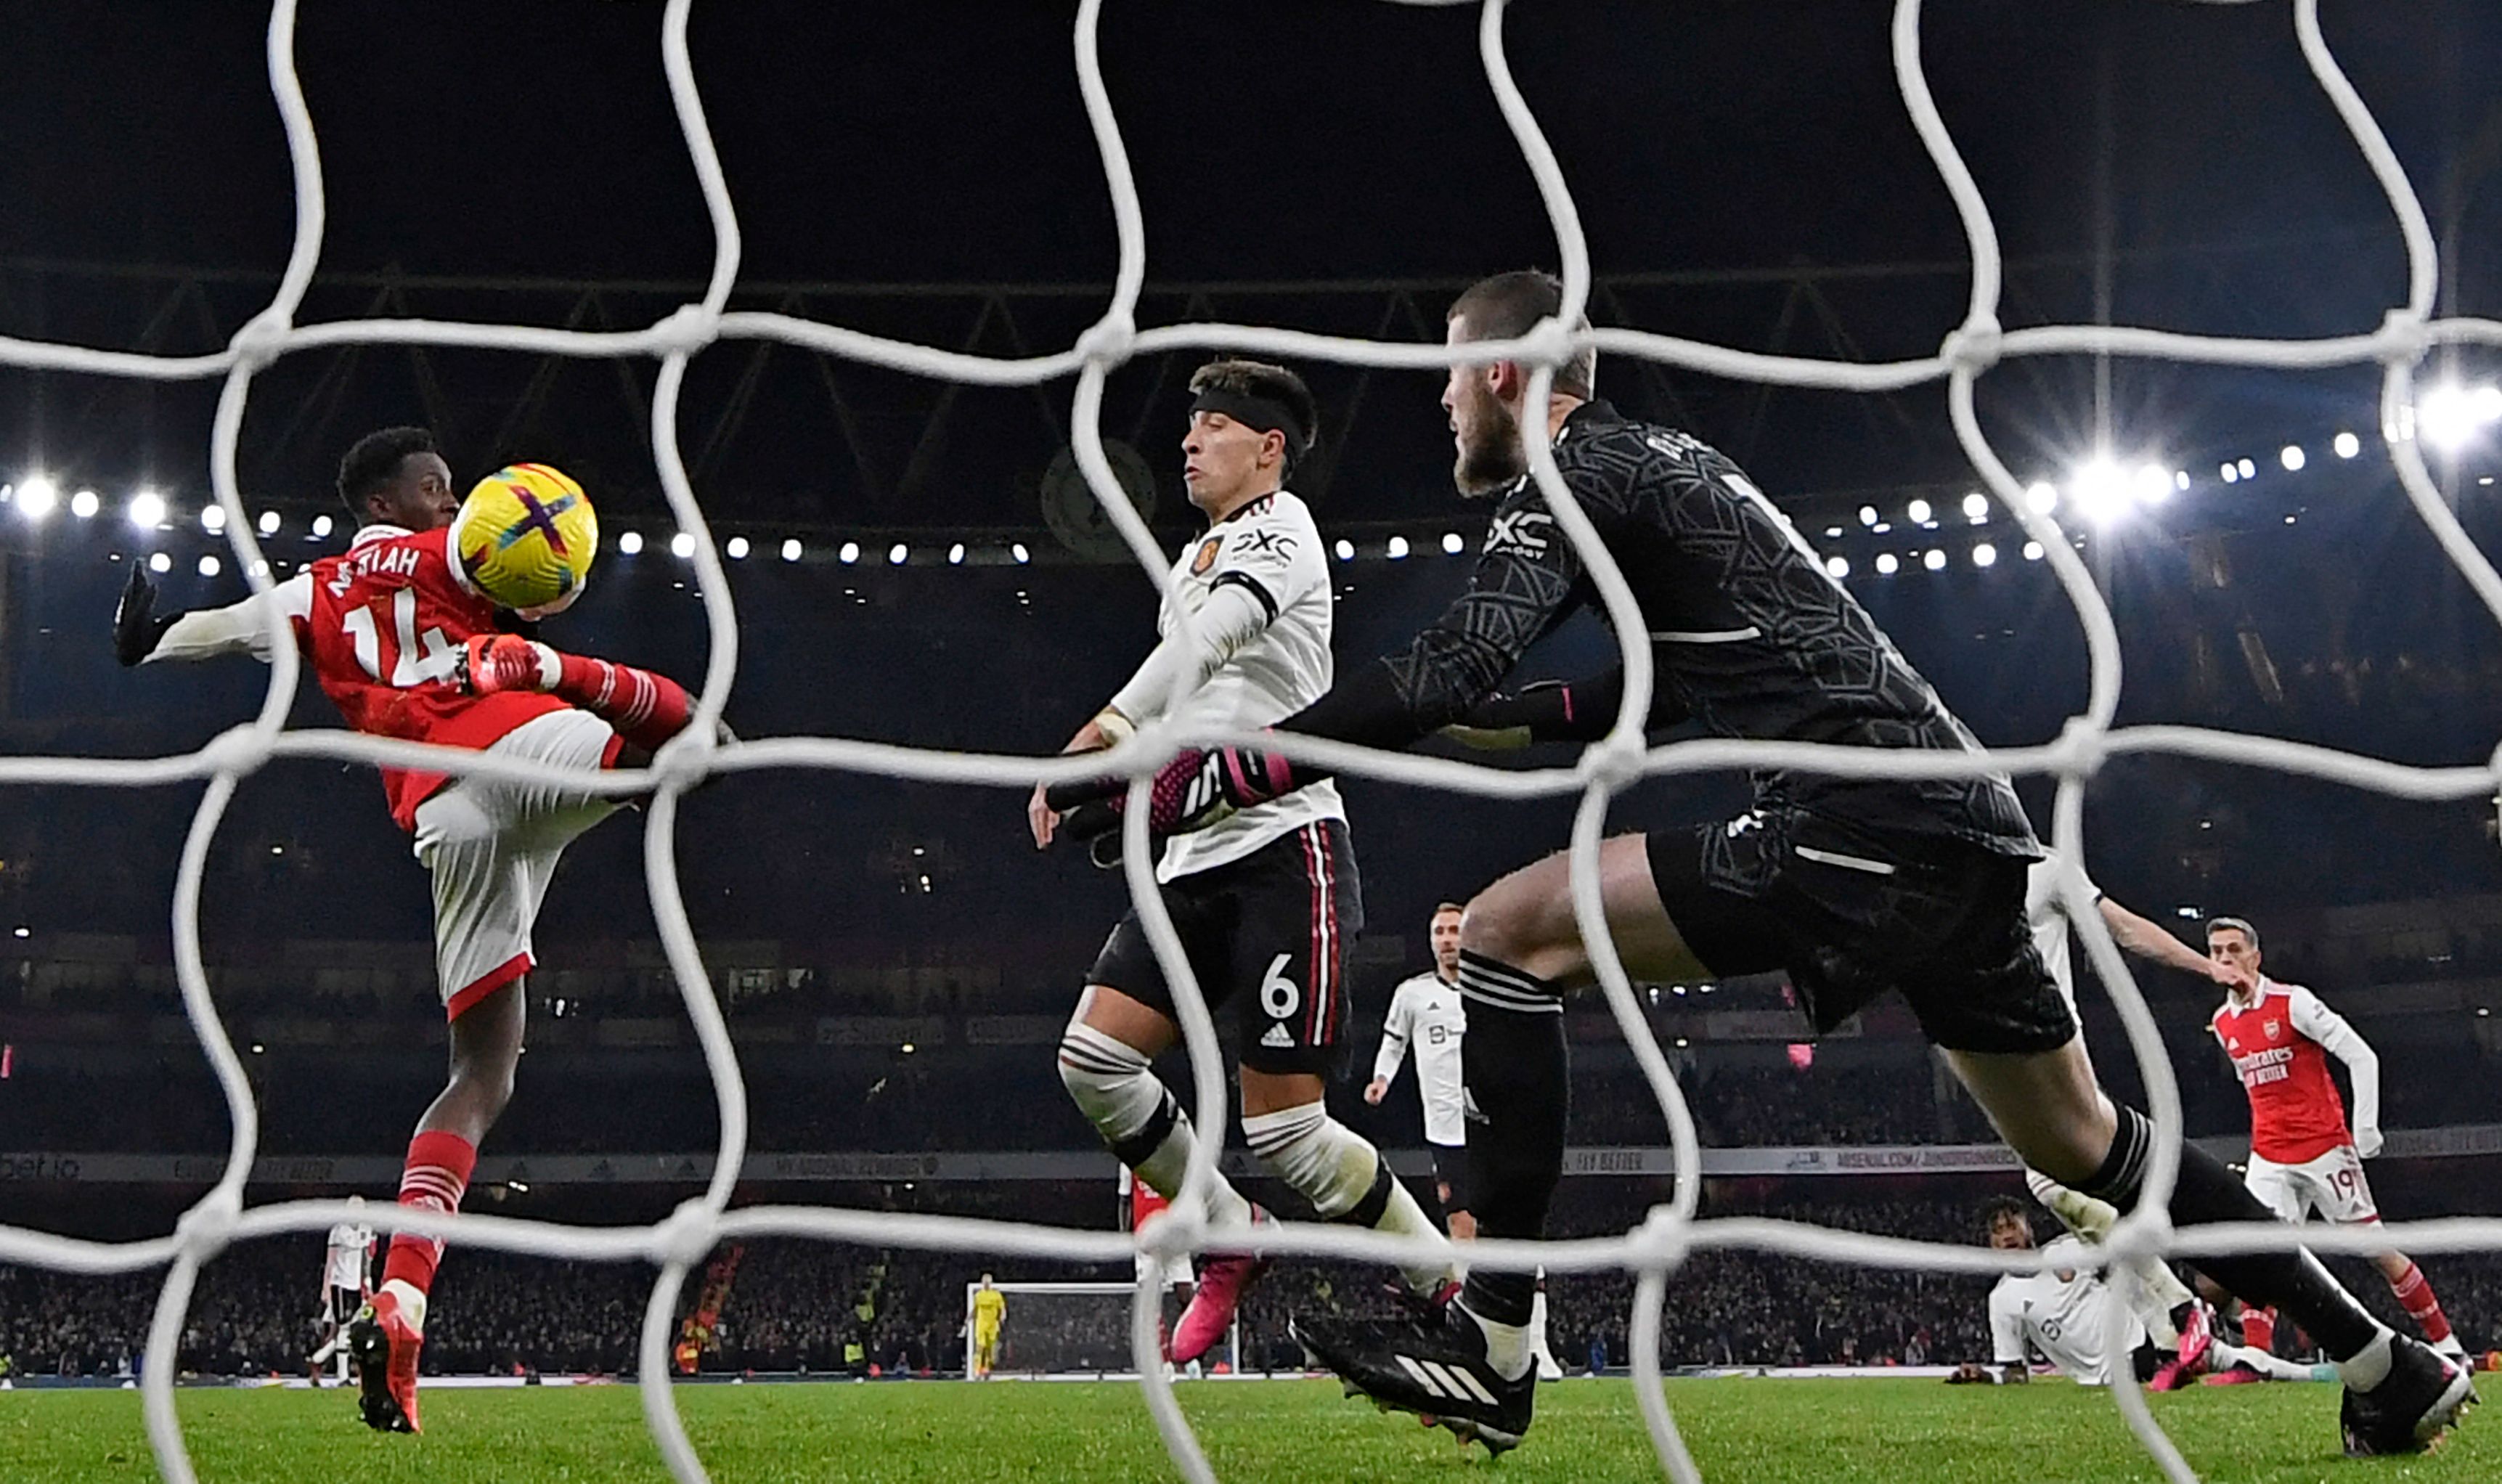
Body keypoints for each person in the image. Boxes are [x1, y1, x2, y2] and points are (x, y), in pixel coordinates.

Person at [1053, 272, 2472, 1458]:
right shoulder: (1682, 466)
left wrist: (1257, 754)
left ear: (1498, 369)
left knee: (1499, 934)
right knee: (2084, 1140)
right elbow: (1642, 691)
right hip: (1961, 819)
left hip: (1850, 821)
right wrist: (1500, 721)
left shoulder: (1567, 465)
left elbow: (1455, 654)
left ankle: (1492, 1353)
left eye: (1443, 376)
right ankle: (2384, 1365)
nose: (1434, 404)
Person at [115, 425, 713, 1433]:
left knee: (480, 1075)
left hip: (440, 814)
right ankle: (564, 676)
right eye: (436, 487)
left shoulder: (312, 592)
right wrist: (543, 635)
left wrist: (148, 637)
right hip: (514, 739)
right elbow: (536, 570)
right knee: (699, 738)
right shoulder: (468, 547)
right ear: (387, 502)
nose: (454, 500)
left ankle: (402, 1301)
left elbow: (213, 631)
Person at [1030, 359, 1450, 1367]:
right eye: (1191, 425)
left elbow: (1212, 647)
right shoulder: (1194, 557)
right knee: (1093, 1062)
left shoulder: (1282, 529)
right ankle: (1229, 1235)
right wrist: (1128, 795)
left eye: (1213, 427)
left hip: (1284, 848)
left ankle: (1449, 1284)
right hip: (1192, 854)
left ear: (1268, 450)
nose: (1188, 441)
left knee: (1290, 1138)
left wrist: (1110, 727)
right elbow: (1195, 703)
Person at [2203, 916, 2466, 1363]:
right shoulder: (2223, 1022)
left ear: (2255, 957)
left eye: (2234, 949)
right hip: (2268, 1153)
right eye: (2216, 952)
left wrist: (2365, 1127)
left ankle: (2448, 1346)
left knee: (2377, 1251)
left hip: (2324, 1148)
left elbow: (2361, 1055)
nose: (2226, 959)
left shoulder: (2294, 1002)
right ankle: (2256, 1359)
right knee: (2258, 1251)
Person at [1949, 1198, 2316, 1387]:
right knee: (2232, 1361)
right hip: (2113, 1375)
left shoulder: (2067, 1249)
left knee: (2127, 1256)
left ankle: (2193, 1319)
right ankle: (2313, 1374)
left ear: (2028, 1226)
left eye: (2013, 1223)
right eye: (1998, 1230)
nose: (2007, 1234)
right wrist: (1983, 1376)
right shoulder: (2003, 1300)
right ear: (1990, 1242)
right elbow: (2016, 1373)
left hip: (2142, 1341)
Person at [1364, 902, 1472, 1238]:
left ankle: (1533, 1286)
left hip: (1493, 1124)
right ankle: (1466, 1289)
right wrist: (1381, 1079)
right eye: (1439, 932)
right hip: (1444, 1127)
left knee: (1506, 1213)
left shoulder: (1487, 991)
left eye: (1454, 931)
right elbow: (1394, 1043)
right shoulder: (1412, 994)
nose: (1446, 940)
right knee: (1459, 1217)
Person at [1120, 1165, 1199, 1372]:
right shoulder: (1128, 1163)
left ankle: (1189, 1356)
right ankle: (1164, 1363)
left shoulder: (1171, 1154)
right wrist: (1125, 1236)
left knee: (1186, 1295)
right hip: (1146, 1239)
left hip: (1175, 1236)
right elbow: (1124, 1200)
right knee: (1151, 1303)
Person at [307, 1196, 375, 1386]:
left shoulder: (365, 1229)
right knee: (343, 1329)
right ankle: (342, 1376)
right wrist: (326, 1287)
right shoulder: (339, 1231)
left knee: (350, 1331)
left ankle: (318, 1360)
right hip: (340, 1284)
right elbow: (330, 1261)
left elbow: (365, 1258)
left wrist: (367, 1282)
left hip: (355, 1286)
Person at [969, 1276, 1006, 1379]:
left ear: (991, 1283)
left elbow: (1002, 1308)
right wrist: (968, 1318)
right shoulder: (979, 1295)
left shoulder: (996, 1295)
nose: (986, 1284)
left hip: (992, 1326)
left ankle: (986, 1369)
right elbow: (975, 1309)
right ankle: (977, 1370)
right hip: (981, 1325)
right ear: (982, 1282)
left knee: (990, 1350)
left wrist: (1003, 1315)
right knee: (980, 1347)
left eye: (988, 1282)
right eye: (985, 1282)